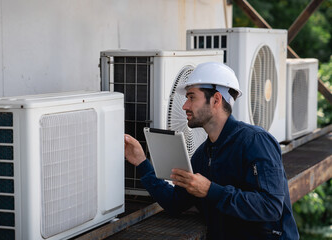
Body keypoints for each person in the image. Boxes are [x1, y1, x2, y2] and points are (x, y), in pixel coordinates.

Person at [124, 62, 299, 239]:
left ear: (216, 100)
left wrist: (210, 190)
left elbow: (270, 207)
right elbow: (175, 203)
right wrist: (141, 162)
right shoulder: (202, 155)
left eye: (191, 97)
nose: (184, 106)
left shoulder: (255, 141)